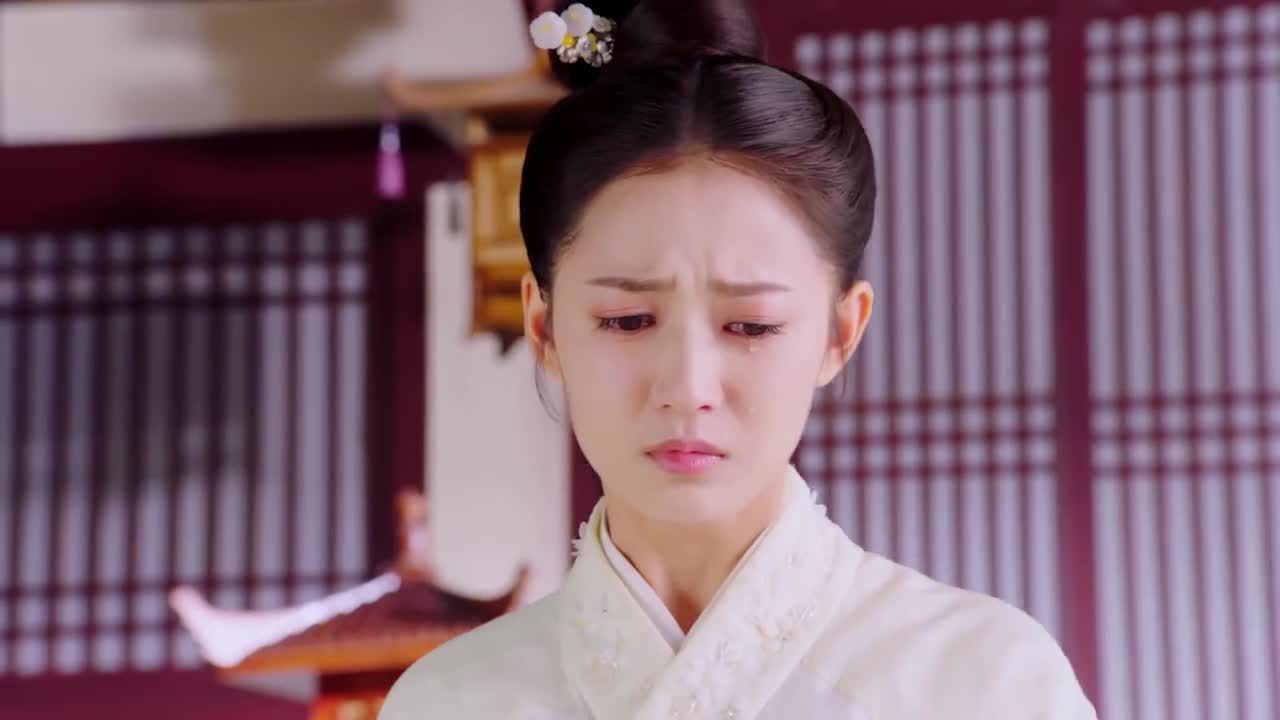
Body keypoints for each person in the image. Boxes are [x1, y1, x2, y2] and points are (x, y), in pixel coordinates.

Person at [380, 1, 1098, 717]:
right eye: (627, 320)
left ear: (840, 333)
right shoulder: (444, 703)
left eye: (751, 325)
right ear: (544, 329)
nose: (686, 386)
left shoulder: (983, 681)